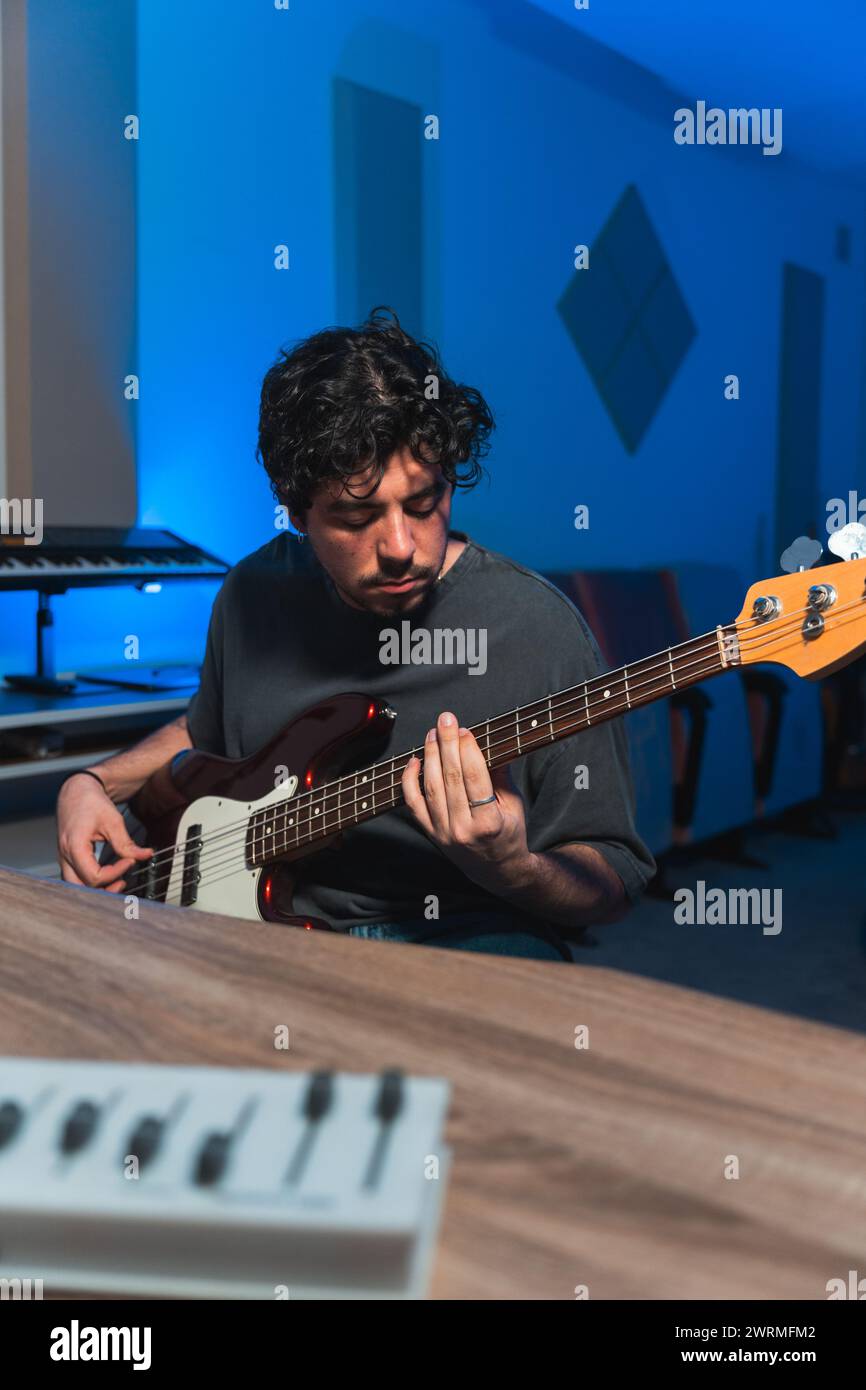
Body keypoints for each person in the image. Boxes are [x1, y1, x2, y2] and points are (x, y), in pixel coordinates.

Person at [56, 308, 655, 961]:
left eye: (423, 503)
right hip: (267, 930)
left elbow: (614, 880)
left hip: (468, 942)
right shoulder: (252, 593)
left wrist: (516, 869)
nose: (400, 547)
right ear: (294, 509)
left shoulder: (536, 628)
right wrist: (90, 783)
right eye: (355, 515)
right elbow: (208, 734)